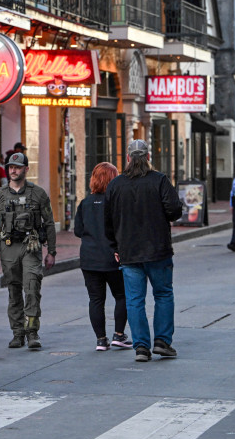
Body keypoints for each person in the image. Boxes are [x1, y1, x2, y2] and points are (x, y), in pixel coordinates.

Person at [104, 139, 183, 362]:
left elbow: (107, 221)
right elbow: (175, 210)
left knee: (135, 300)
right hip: (157, 249)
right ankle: (162, 341)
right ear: (148, 157)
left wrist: (114, 246)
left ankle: (141, 347)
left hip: (129, 251)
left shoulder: (116, 184)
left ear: (128, 158)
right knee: (163, 294)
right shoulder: (159, 180)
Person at [0, 152, 56, 350]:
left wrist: (52, 252)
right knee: (14, 291)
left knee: (31, 288)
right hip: (8, 248)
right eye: (10, 167)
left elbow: (49, 224)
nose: (13, 170)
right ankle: (17, 333)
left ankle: (32, 332)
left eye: (17, 167)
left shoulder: (38, 193)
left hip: (31, 247)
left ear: (26, 169)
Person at [74, 162, 131, 351]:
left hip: (89, 258)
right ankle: (119, 335)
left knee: (96, 299)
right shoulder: (115, 202)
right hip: (112, 257)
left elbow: (78, 231)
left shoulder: (84, 203)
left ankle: (101, 339)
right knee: (122, 296)